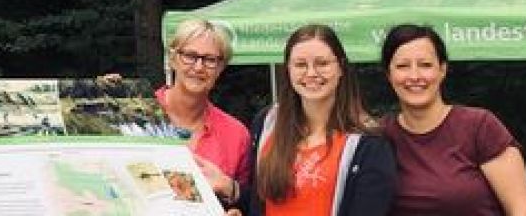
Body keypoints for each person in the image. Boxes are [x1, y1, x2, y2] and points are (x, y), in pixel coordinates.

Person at [379, 24, 526, 216]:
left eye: (425, 65)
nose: (414, 76)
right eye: (403, 66)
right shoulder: (378, 137)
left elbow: (523, 209)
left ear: (442, 70)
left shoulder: (480, 126)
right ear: (388, 74)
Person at [243, 24, 395, 216]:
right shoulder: (267, 124)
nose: (311, 73)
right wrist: (232, 190)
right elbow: (257, 202)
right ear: (288, 70)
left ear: (340, 68)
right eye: (300, 65)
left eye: (322, 63)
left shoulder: (369, 145)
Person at [156, 19, 251, 210]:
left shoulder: (236, 134)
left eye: (209, 60)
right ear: (173, 58)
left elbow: (248, 203)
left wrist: (232, 195)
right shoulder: (135, 116)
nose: (199, 67)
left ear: (220, 67)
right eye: (190, 56)